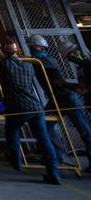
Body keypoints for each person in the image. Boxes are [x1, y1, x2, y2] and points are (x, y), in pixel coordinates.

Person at [0, 39, 60, 184]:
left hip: (17, 107)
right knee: (44, 139)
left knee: (12, 131)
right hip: (36, 106)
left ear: (2, 51)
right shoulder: (29, 66)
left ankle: (16, 162)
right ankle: (54, 173)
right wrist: (3, 55)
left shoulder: (2, 64)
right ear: (17, 51)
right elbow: (14, 64)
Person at [32, 35, 91, 171]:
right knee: (44, 125)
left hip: (68, 99)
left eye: (71, 54)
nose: (70, 57)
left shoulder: (48, 60)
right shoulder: (81, 68)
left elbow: (83, 88)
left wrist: (65, 84)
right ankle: (57, 155)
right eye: (68, 55)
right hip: (57, 99)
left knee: (84, 131)